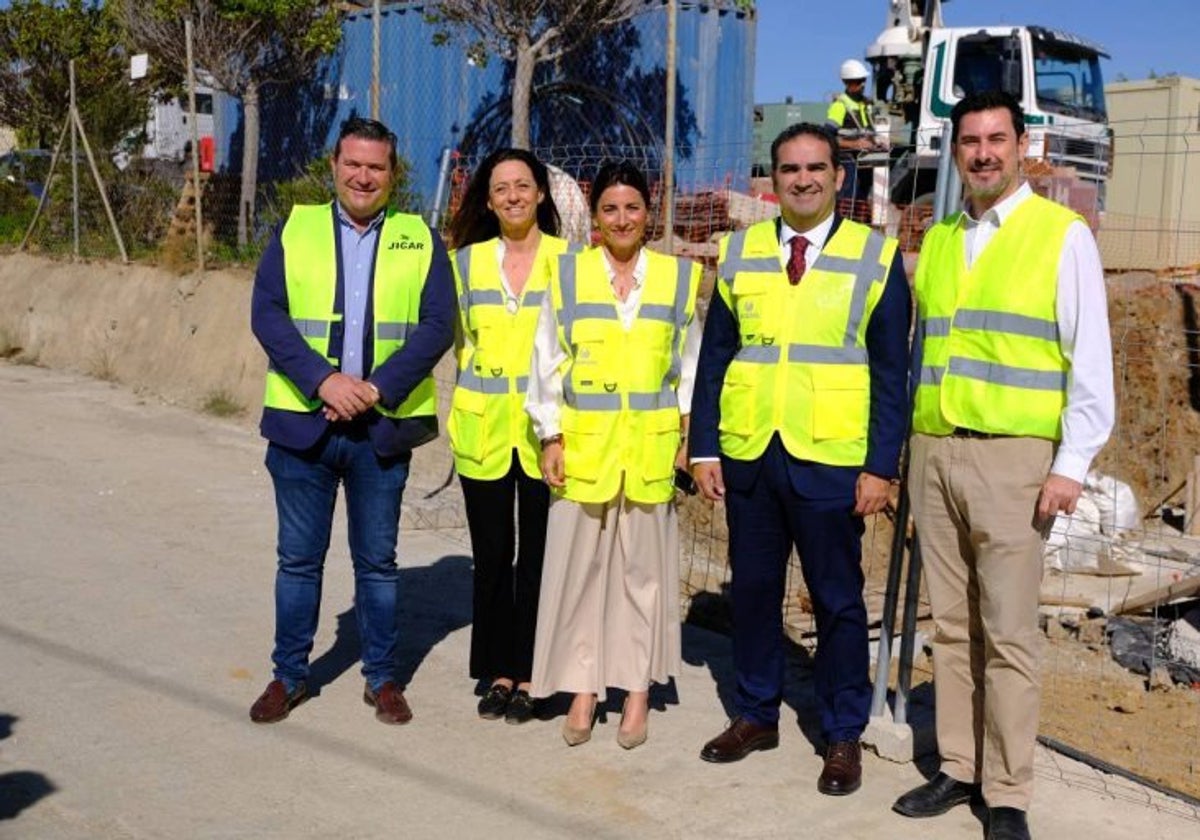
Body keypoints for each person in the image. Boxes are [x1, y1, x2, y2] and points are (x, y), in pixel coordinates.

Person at [892, 91, 1114, 840]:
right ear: (954, 151)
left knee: (1009, 634)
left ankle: (1009, 790)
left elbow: (1090, 360)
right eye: (969, 142)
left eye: (996, 139)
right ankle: (960, 766)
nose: (982, 153)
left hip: (1016, 461)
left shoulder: (1061, 236)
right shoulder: (945, 238)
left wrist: (1071, 463)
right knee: (952, 629)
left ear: (1023, 145)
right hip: (936, 450)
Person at [691, 123, 911, 795]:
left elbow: (890, 374)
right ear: (774, 178)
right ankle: (757, 712)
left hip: (832, 463)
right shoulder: (740, 253)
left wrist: (880, 466)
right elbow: (715, 358)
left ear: (840, 178)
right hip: (752, 454)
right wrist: (704, 445)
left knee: (837, 602)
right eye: (790, 169)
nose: (804, 179)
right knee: (753, 593)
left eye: (817, 167)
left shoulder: (876, 259)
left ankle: (842, 733)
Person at [247, 117, 455, 726]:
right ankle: (289, 675)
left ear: (394, 175)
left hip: (380, 432)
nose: (364, 176)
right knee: (297, 561)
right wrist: (324, 381)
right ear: (335, 165)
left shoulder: (420, 237)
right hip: (303, 429)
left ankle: (383, 678)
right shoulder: (297, 227)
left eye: (377, 167)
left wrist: (373, 389)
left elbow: (437, 327)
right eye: (354, 164)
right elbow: (268, 313)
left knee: (378, 564)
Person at [526, 160, 701, 749]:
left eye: (632, 207)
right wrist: (550, 435)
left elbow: (689, 368)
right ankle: (582, 688)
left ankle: (636, 692)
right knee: (581, 574)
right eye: (609, 209)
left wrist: (685, 438)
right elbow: (546, 361)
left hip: (648, 455)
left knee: (642, 579)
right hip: (587, 451)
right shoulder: (570, 276)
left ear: (648, 213)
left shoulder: (678, 279)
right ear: (594, 217)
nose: (621, 219)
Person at [445, 148, 575, 725]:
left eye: (524, 186)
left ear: (541, 194)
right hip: (484, 431)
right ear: (489, 199)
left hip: (548, 435)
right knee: (493, 556)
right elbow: (456, 342)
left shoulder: (570, 261)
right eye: (502, 188)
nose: (514, 196)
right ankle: (498, 669)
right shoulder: (465, 263)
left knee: (542, 558)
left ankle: (534, 671)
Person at [825, 58, 882, 221]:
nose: (862, 84)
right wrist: (854, 144)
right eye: (857, 81)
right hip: (848, 161)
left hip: (865, 161)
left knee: (862, 200)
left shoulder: (866, 105)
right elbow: (828, 137)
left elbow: (867, 131)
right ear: (847, 83)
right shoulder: (840, 105)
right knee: (848, 199)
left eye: (863, 80)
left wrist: (877, 141)